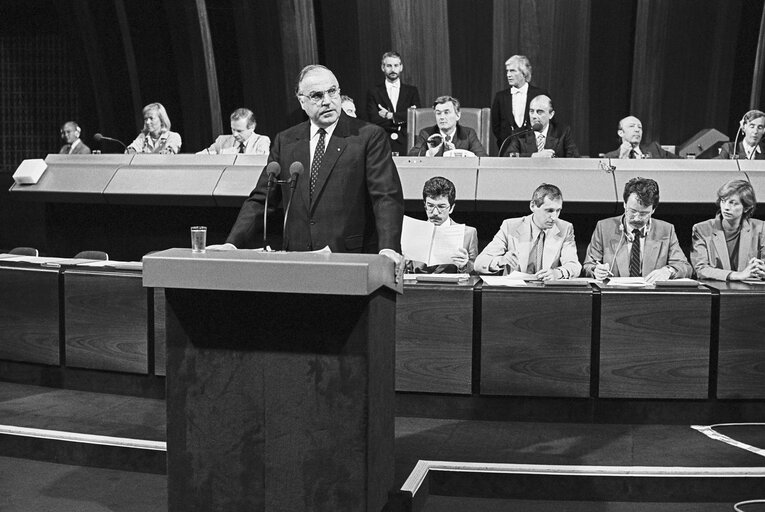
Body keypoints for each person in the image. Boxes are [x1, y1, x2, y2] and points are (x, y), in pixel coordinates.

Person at [211, 65, 405, 275]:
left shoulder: (368, 136)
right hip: (297, 260)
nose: (327, 101)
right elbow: (262, 199)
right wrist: (232, 244)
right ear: (302, 101)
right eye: (317, 95)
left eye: (332, 91)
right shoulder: (285, 140)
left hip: (350, 259)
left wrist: (388, 248)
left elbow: (386, 196)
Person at [583, 177, 692, 282]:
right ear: (624, 204)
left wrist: (668, 271)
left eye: (643, 213)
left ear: (653, 210)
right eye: (633, 211)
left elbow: (685, 267)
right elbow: (588, 265)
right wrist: (596, 270)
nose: (637, 218)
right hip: (614, 295)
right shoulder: (604, 228)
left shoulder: (666, 230)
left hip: (652, 296)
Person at [475, 183, 581, 280]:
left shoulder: (565, 228)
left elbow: (574, 266)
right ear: (533, 206)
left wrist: (557, 273)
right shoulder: (510, 227)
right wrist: (501, 260)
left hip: (549, 292)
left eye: (558, 210)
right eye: (549, 210)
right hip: (515, 292)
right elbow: (479, 264)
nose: (554, 217)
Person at [691, 179, 765, 281]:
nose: (726, 207)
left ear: (747, 208)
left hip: (751, 291)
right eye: (723, 201)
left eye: (733, 203)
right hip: (718, 291)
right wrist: (737, 275)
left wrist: (762, 271)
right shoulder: (702, 229)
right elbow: (701, 269)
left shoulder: (761, 228)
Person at [406, 176, 478, 273]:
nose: (435, 212)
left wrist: (464, 265)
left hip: (452, 287)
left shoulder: (468, 233)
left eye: (441, 206)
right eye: (430, 205)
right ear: (425, 205)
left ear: (451, 208)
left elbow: (476, 273)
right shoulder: (413, 231)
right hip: (418, 286)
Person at [366, 51, 421, 155]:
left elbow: (415, 118)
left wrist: (390, 116)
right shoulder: (373, 92)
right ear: (383, 68)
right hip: (383, 141)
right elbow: (374, 119)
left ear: (401, 67)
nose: (393, 69)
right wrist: (403, 117)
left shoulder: (411, 91)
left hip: (407, 141)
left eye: (396, 65)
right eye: (389, 66)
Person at [491, 55, 548, 151]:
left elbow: (549, 122)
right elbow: (496, 126)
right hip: (508, 150)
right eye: (507, 71)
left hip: (535, 150)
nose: (508, 75)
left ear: (524, 73)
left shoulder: (540, 94)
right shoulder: (500, 97)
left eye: (512, 71)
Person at [408, 96, 487, 157]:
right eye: (438, 113)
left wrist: (458, 154)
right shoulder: (427, 133)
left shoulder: (468, 134)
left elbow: (483, 158)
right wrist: (429, 153)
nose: (442, 117)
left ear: (457, 115)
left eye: (446, 112)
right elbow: (411, 156)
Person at [504, 95, 579, 158]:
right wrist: (534, 156)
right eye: (532, 111)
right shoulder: (519, 134)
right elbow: (509, 157)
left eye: (539, 112)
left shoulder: (563, 132)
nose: (534, 116)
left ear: (551, 114)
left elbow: (574, 158)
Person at [197, 108, 270, 155]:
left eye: (239, 131)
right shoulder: (222, 141)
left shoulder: (261, 141)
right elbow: (201, 156)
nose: (235, 134)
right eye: (233, 129)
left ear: (252, 127)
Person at [604, 116, 679, 159]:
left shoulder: (654, 148)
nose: (637, 130)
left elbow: (682, 162)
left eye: (640, 127)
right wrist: (621, 159)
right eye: (631, 126)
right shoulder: (610, 157)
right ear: (621, 133)